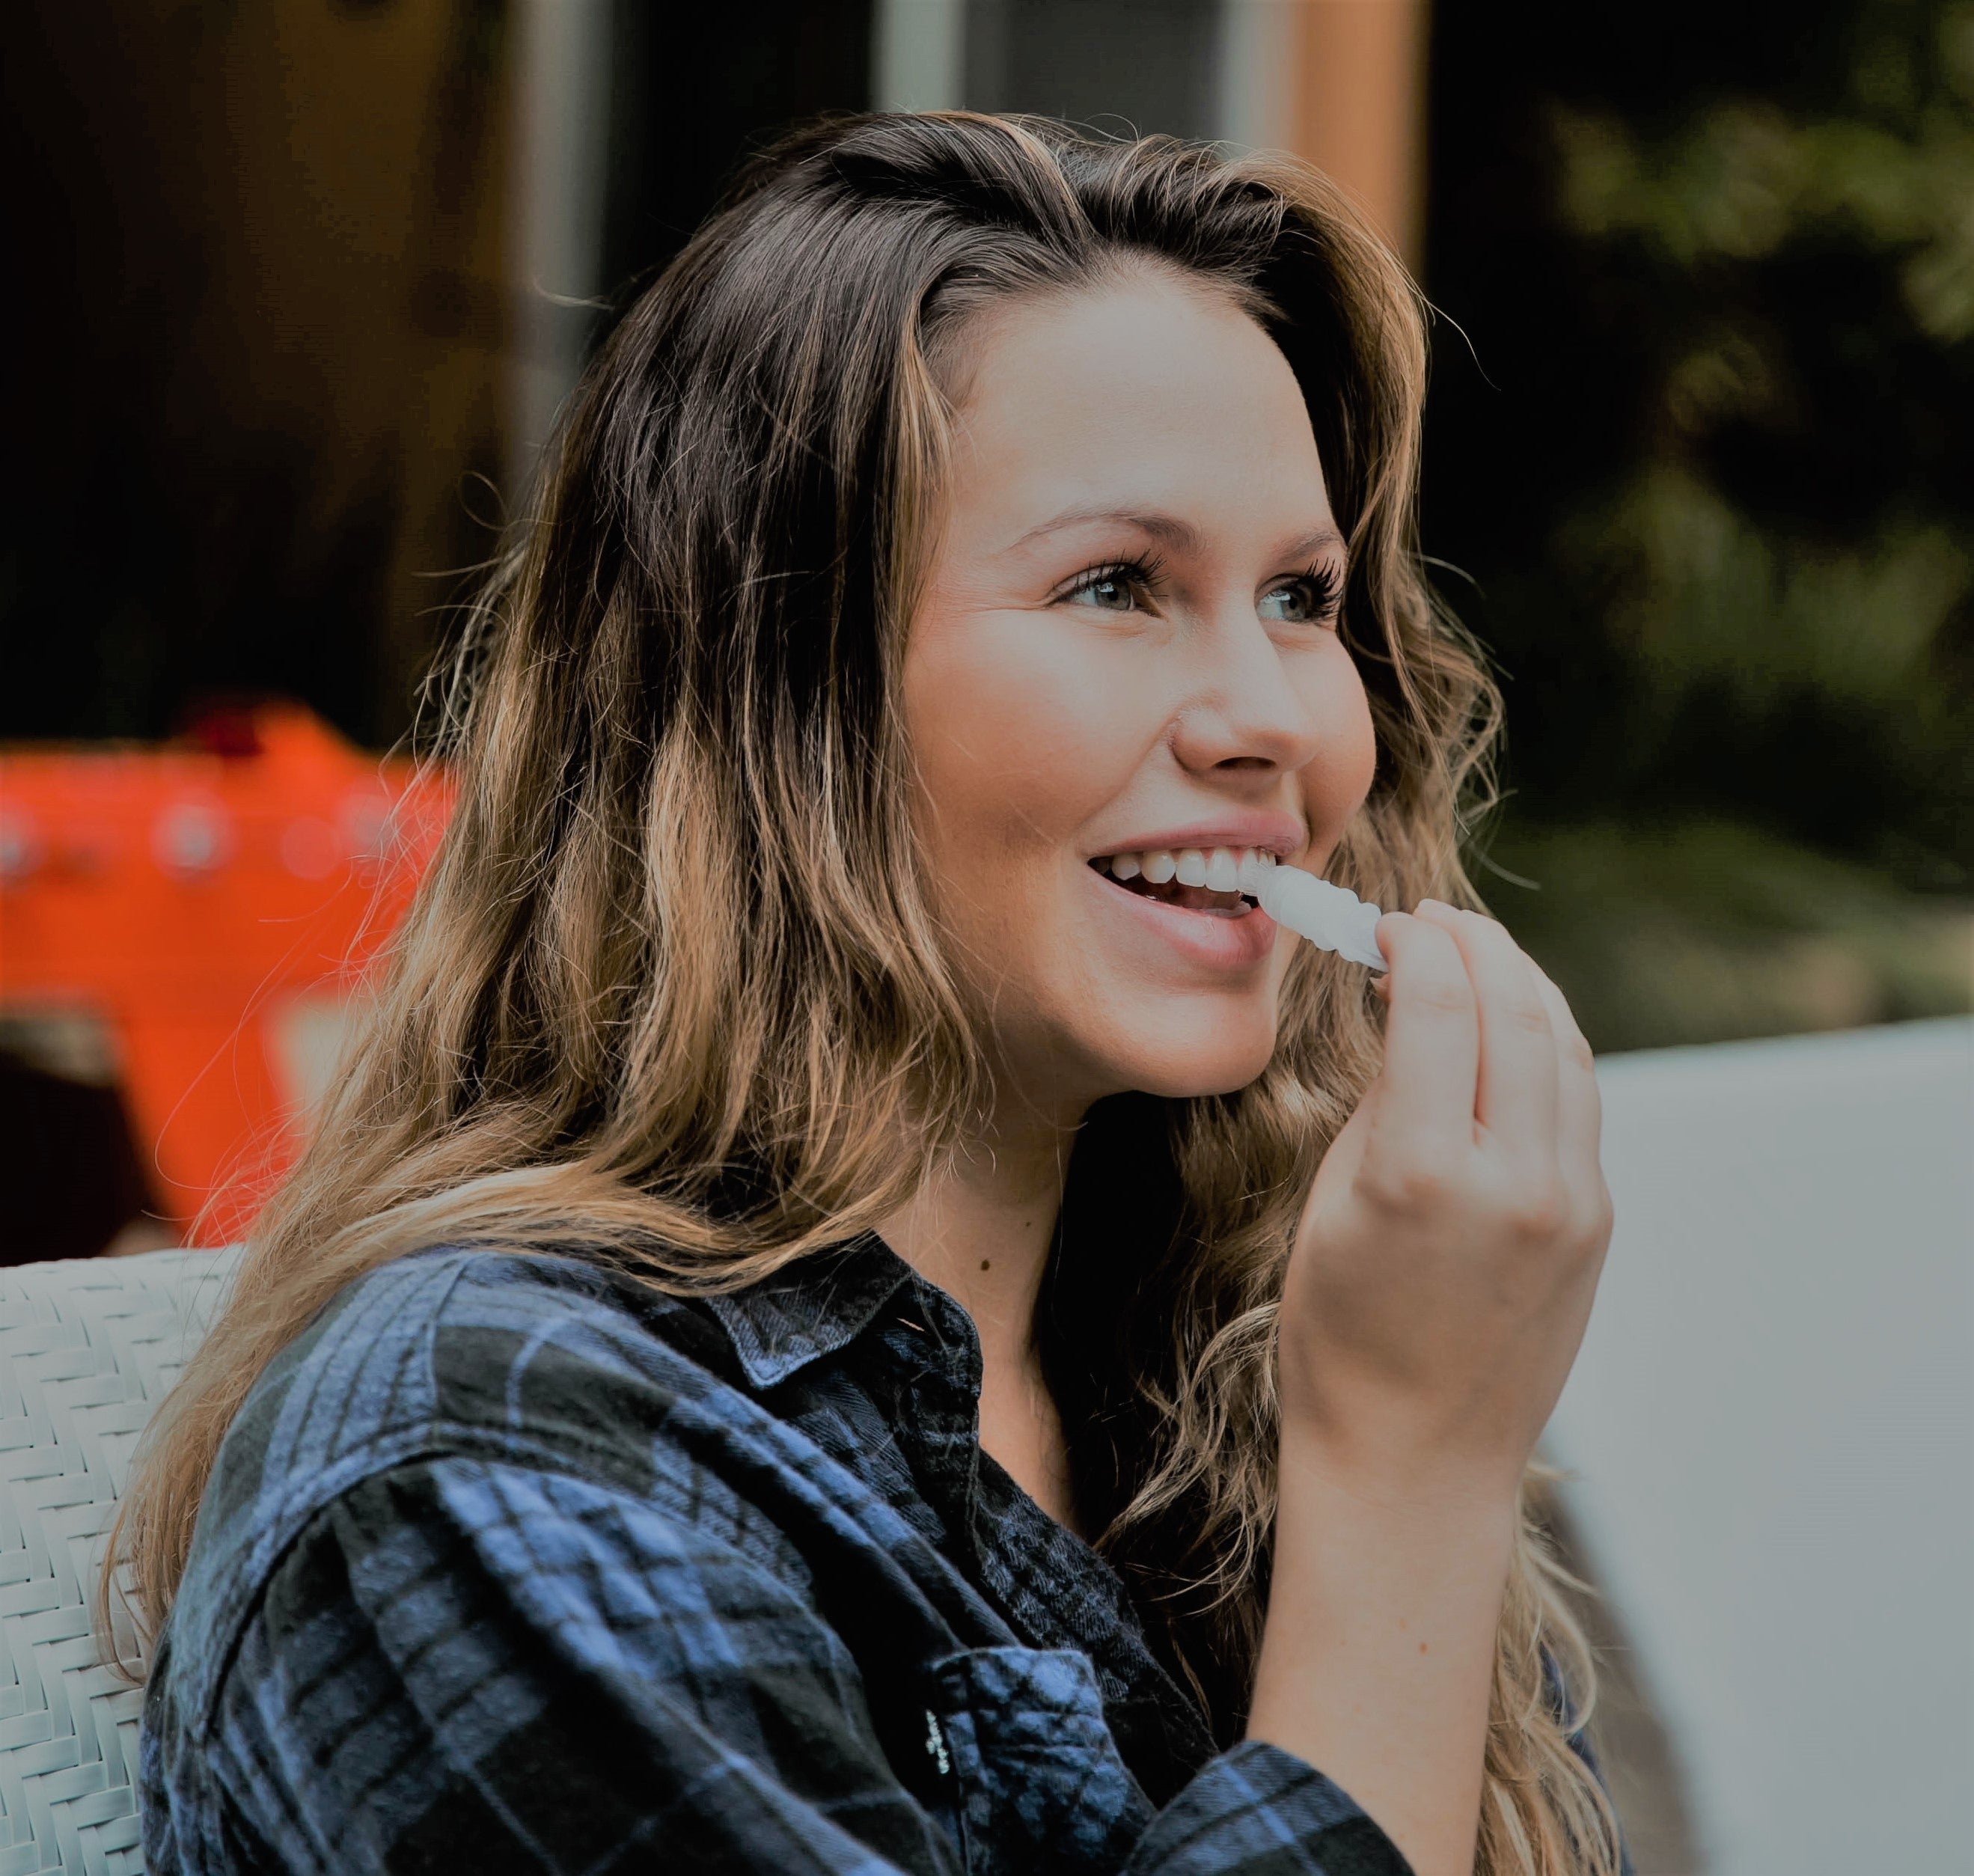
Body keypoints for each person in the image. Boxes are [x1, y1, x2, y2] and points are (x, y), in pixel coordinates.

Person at [118, 112, 1623, 1876]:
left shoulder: (1218, 1344)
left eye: (1300, 596)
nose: (1275, 720)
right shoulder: (483, 1470)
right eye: (1115, 587)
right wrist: (1404, 1497)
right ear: (773, 694)